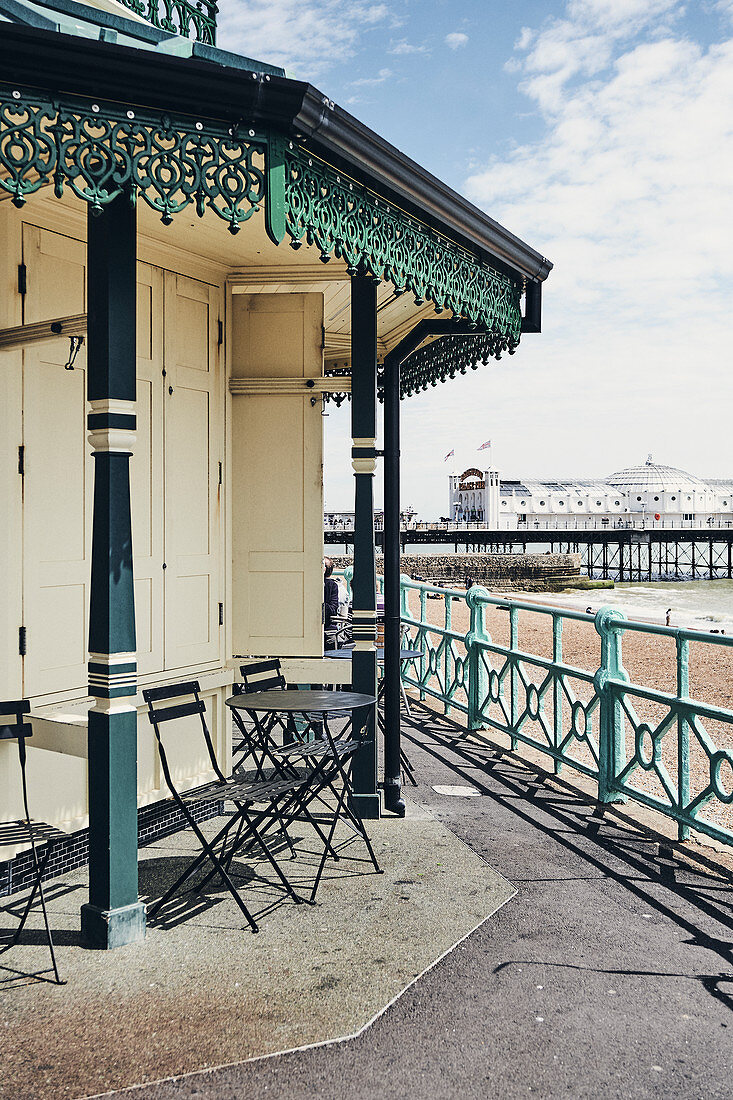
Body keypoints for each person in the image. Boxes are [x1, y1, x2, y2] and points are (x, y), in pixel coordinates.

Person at [323, 557, 339, 640]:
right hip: (329, 627)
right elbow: (333, 608)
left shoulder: (332, 585)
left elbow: (333, 609)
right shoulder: (333, 585)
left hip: (327, 627)